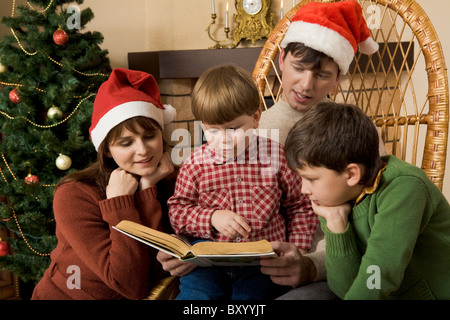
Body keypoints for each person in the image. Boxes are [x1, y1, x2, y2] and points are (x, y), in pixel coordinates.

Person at [255, 0, 379, 299]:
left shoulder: (356, 132)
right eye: (298, 68)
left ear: (337, 78)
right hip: (254, 267)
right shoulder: (252, 130)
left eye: (322, 75)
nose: (306, 84)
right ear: (282, 60)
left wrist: (312, 266)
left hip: (330, 268)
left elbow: (372, 219)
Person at [166, 64, 318, 300]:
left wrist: (299, 250)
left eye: (233, 128)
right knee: (197, 298)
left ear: (256, 117)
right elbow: (177, 211)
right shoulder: (195, 163)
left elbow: (300, 205)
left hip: (262, 263)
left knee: (249, 301)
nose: (223, 140)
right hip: (209, 262)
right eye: (212, 131)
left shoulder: (276, 156)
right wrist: (212, 217)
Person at [32, 68, 177, 300]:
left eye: (149, 136)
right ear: (107, 150)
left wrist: (148, 189)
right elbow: (128, 283)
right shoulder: (74, 195)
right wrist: (119, 204)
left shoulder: (172, 179)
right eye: (126, 142)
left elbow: (154, 268)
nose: (143, 150)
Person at [284, 101, 450, 299]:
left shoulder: (405, 187)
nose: (303, 189)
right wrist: (336, 223)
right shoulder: (336, 198)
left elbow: (381, 271)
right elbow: (345, 288)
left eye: (311, 179)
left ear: (352, 174)